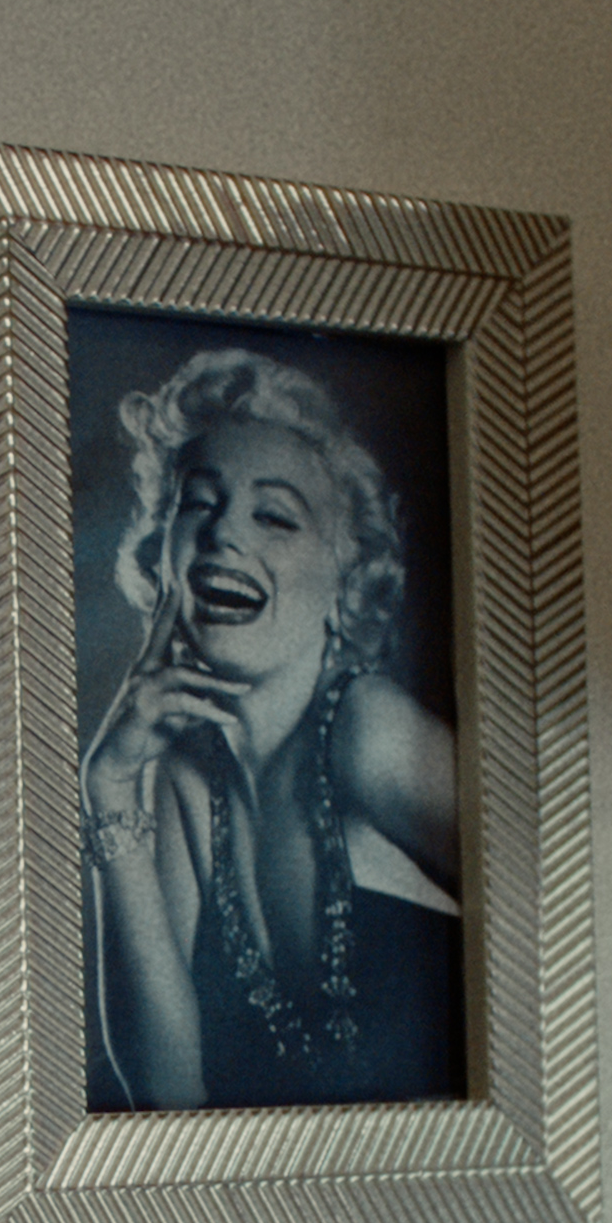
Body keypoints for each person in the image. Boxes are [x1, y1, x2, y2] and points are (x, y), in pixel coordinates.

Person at [83, 347, 461, 1111]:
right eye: (198, 504)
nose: (225, 535)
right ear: (163, 553)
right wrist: (110, 783)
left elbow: (573, 930)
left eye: (276, 517)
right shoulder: (186, 779)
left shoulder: (372, 735)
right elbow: (167, 1093)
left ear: (348, 574)